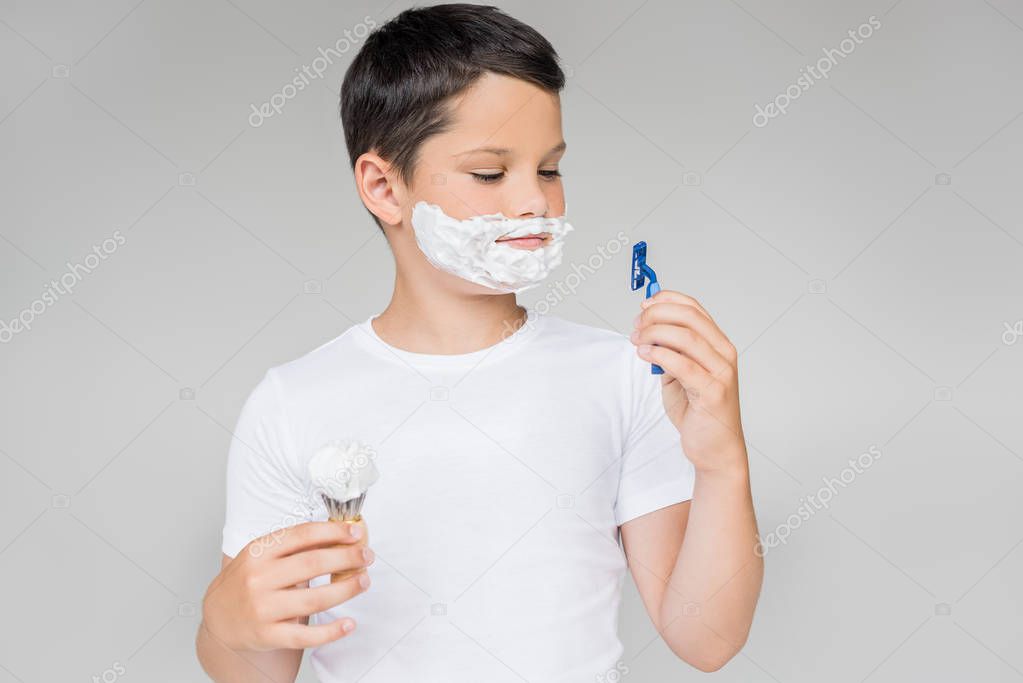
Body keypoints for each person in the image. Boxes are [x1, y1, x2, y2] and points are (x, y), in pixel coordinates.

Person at [197, 4, 762, 681]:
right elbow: (256, 671)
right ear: (384, 186)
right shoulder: (293, 401)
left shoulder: (623, 376)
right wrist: (226, 626)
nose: (533, 202)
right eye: (490, 173)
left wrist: (722, 461)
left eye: (548, 169)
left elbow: (707, 639)